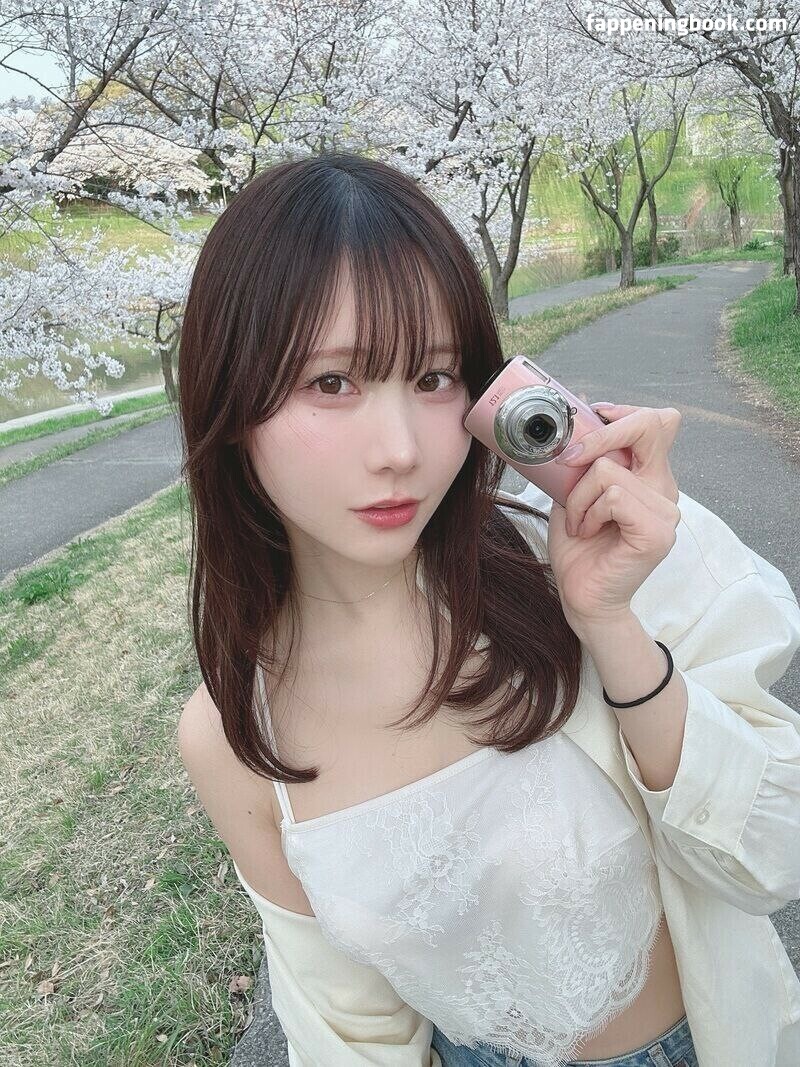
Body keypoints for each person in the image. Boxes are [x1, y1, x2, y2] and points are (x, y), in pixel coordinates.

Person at [176, 151, 800, 1067]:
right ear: (230, 403)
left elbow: (773, 855)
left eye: (433, 377)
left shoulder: (595, 544)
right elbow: (348, 1032)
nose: (399, 449)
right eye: (332, 382)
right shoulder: (235, 734)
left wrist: (613, 629)